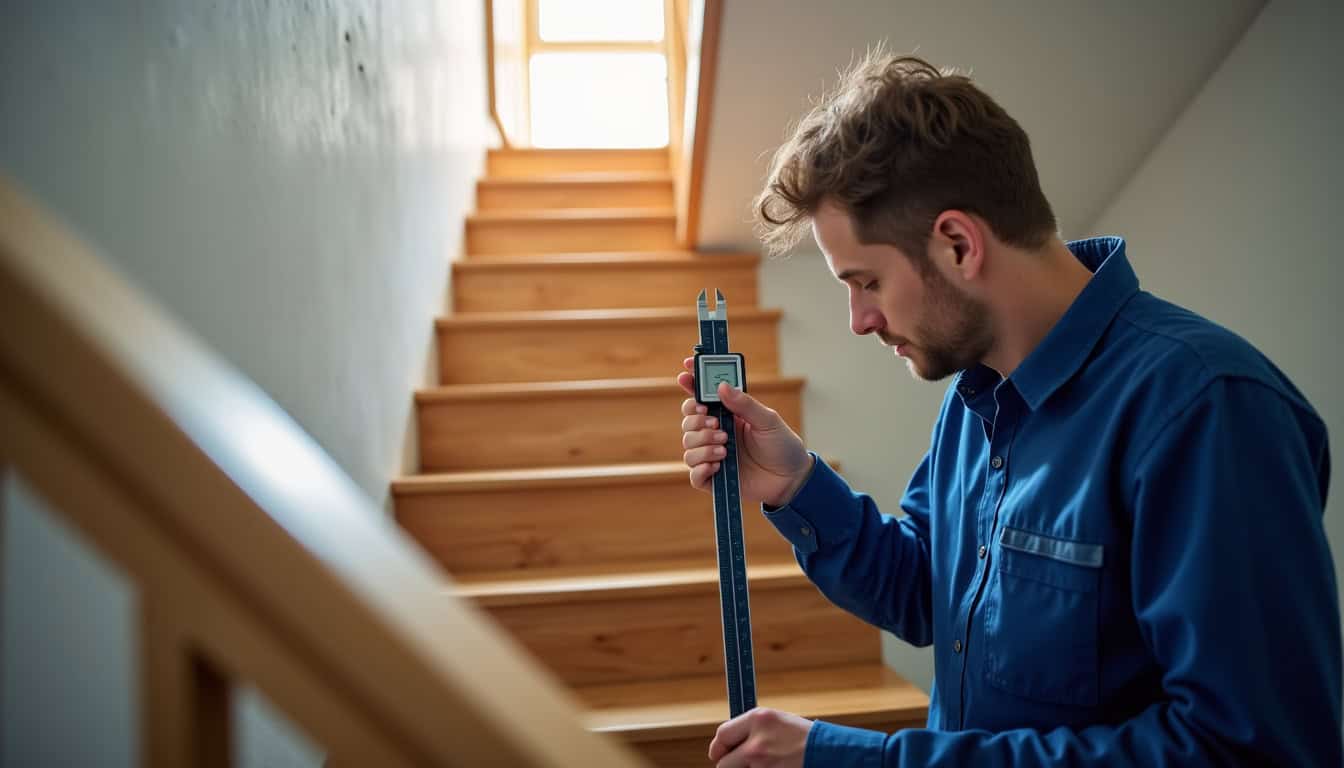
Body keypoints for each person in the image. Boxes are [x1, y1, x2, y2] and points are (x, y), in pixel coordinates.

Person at [676, 49, 1340, 767]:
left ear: (959, 244)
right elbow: (931, 597)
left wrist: (857, 761)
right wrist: (795, 484)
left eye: (865, 281)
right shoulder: (977, 395)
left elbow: (1247, 750)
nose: (859, 320)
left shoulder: (1207, 411)